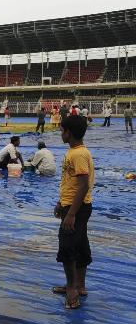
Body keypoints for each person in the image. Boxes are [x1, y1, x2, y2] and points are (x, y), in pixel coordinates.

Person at [52, 115, 94, 310]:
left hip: (77, 208)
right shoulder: (75, 152)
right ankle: (80, 285)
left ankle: (71, 289)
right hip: (72, 205)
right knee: (80, 243)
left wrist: (71, 213)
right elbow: (71, 183)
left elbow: (84, 185)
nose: (61, 134)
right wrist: (62, 203)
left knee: (67, 246)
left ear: (69, 133)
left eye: (62, 130)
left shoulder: (77, 154)